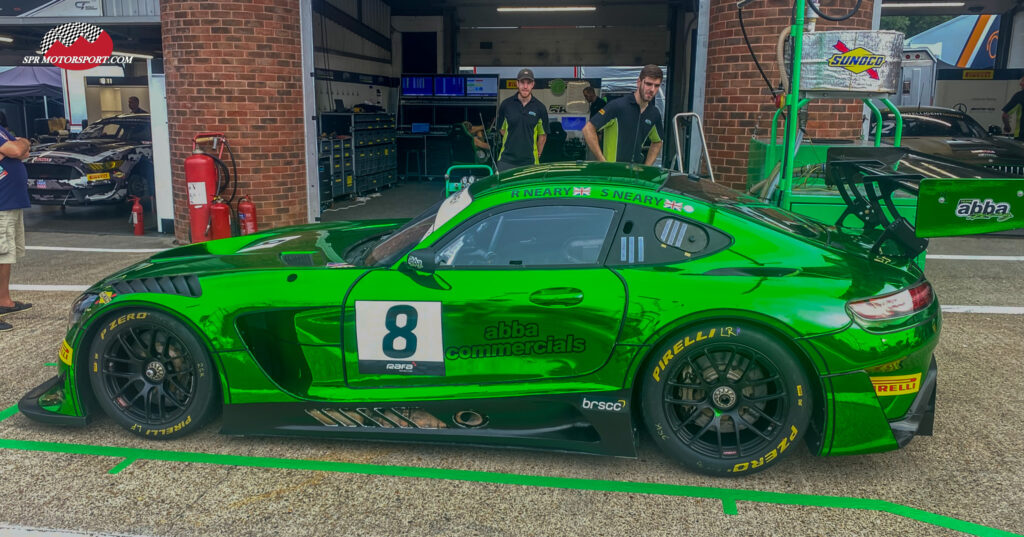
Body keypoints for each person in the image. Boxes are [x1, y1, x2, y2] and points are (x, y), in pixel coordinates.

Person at [582, 65, 665, 165]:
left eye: (656, 85)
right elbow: (588, 129)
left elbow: (657, 142)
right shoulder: (617, 106)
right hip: (613, 174)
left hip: (635, 174)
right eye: (648, 84)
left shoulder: (654, 113)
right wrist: (602, 161)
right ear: (639, 82)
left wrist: (647, 167)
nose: (652, 89)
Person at [0, 112, 33, 332]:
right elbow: (18, 150)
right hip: (1, 205)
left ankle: (4, 301)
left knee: (6, 255)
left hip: (9, 203)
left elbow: (23, 152)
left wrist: (20, 143)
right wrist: (20, 143)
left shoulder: (3, 132)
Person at [494, 68, 548, 172]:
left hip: (530, 162)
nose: (525, 86)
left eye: (529, 83)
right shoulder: (506, 105)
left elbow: (543, 136)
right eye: (522, 82)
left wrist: (537, 154)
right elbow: (501, 129)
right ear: (517, 84)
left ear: (533, 84)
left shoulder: (540, 108)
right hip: (506, 161)